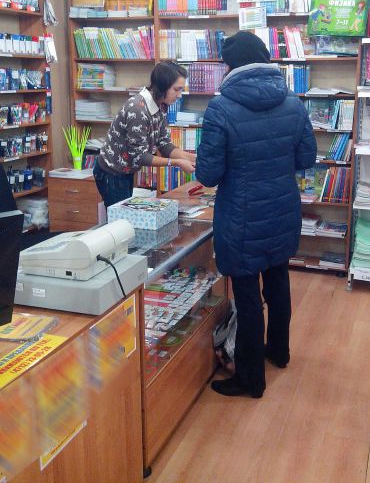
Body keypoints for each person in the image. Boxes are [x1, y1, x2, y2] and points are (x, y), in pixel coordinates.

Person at [195, 31, 317, 399]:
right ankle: (279, 352)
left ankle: (250, 379)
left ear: (230, 66)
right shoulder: (293, 103)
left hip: (241, 216)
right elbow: (306, 158)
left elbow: (208, 174)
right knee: (278, 283)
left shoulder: (220, 109)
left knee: (248, 298)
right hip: (282, 209)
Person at [94, 62, 195, 208]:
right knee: (121, 219)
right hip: (112, 172)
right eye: (176, 89)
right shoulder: (138, 109)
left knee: (126, 216)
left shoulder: (162, 104)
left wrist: (192, 158)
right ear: (163, 86)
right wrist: (177, 162)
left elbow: (164, 144)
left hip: (126, 171)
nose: (179, 95)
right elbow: (140, 156)